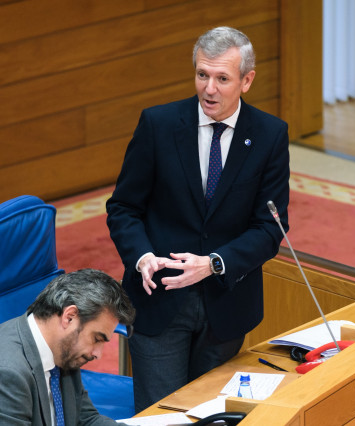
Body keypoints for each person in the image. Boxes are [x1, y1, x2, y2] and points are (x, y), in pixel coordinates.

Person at [106, 26, 290, 412]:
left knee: (214, 416)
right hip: (160, 301)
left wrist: (214, 264)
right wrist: (141, 256)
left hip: (226, 306)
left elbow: (270, 226)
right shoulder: (158, 125)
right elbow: (123, 207)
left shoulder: (270, 135)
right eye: (202, 75)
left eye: (222, 78)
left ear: (247, 80)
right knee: (163, 418)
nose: (209, 89)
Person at [0, 269, 135, 425]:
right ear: (70, 317)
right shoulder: (5, 376)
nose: (98, 354)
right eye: (96, 339)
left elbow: (85, 420)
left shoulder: (62, 350)